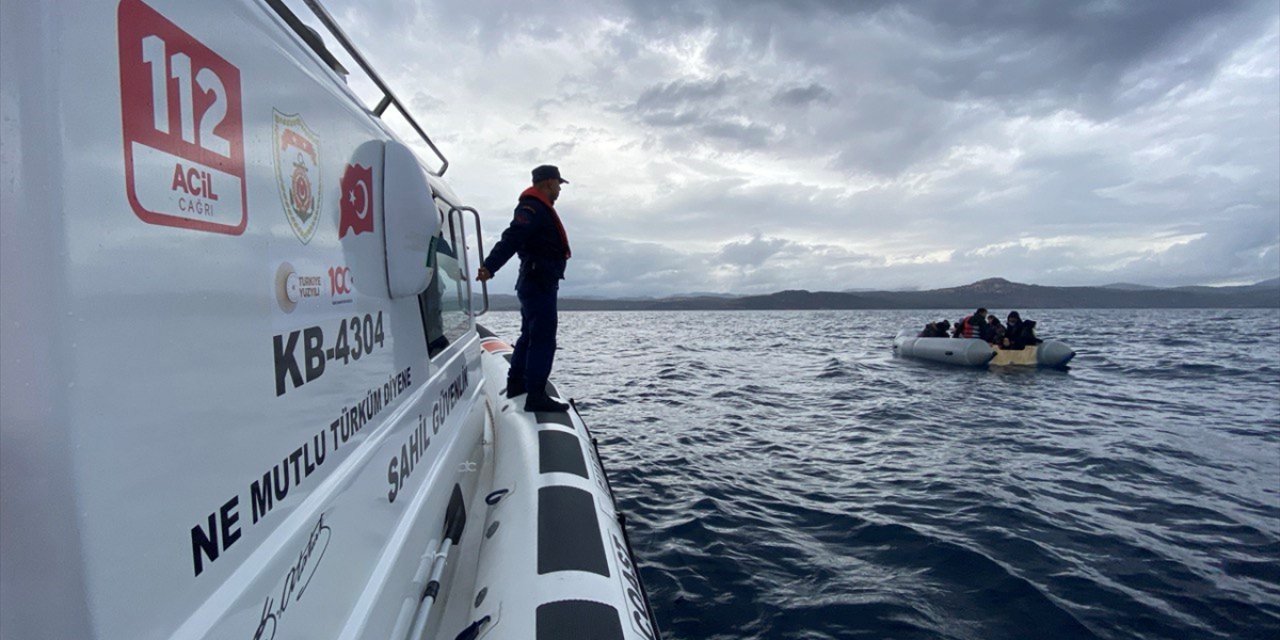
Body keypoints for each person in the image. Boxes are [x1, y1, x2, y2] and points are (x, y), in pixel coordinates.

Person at [476, 165, 572, 412]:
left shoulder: (537, 207)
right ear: (548, 183)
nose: (560, 189)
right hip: (538, 283)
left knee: (529, 335)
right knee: (543, 338)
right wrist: (490, 266)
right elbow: (512, 237)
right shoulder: (532, 208)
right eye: (558, 184)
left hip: (536, 282)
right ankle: (536, 396)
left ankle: (517, 384)